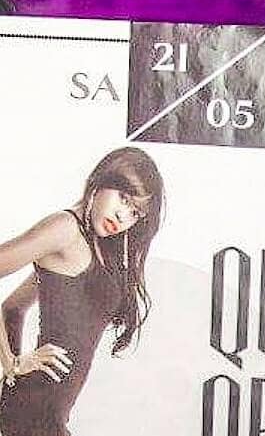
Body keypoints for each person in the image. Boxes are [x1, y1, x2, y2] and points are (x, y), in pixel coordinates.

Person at [0, 147, 164, 436]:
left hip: (45, 415)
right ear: (102, 180)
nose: (123, 215)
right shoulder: (65, 229)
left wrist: (12, 373)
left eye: (135, 213)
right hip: (31, 413)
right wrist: (12, 365)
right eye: (123, 198)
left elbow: (12, 308)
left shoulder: (97, 244)